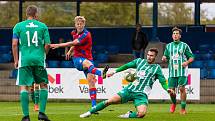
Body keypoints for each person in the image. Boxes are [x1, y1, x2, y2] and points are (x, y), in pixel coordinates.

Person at [80, 48, 171, 118]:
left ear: (155, 57)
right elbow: (127, 65)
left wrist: (167, 89)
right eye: (148, 55)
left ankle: (128, 115)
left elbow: (163, 82)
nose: (149, 57)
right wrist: (114, 72)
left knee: (141, 114)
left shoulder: (157, 68)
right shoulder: (139, 61)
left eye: (151, 55)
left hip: (141, 94)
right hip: (129, 90)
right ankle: (89, 112)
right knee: (109, 101)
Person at [50, 16, 109, 108]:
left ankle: (94, 106)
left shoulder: (86, 34)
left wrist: (59, 45)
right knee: (87, 64)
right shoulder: (74, 33)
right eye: (77, 24)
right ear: (75, 25)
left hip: (88, 59)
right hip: (78, 59)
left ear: (84, 24)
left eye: (81, 24)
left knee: (91, 81)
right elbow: (74, 43)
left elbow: (74, 42)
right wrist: (69, 51)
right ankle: (100, 73)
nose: (79, 25)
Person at [12, 5, 51, 121]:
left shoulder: (18, 26)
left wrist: (15, 60)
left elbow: (14, 44)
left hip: (24, 60)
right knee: (43, 85)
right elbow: (48, 44)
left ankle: (26, 116)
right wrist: (43, 55)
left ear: (26, 14)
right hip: (39, 59)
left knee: (24, 87)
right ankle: (42, 113)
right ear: (36, 14)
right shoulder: (43, 26)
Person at [162, 27, 194, 114]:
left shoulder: (184, 45)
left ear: (180, 36)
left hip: (182, 71)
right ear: (172, 36)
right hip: (172, 71)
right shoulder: (168, 46)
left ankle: (183, 108)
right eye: (174, 34)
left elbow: (192, 57)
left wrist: (187, 62)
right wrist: (164, 58)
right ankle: (173, 103)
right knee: (171, 90)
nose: (175, 35)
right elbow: (165, 57)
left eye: (177, 34)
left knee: (181, 88)